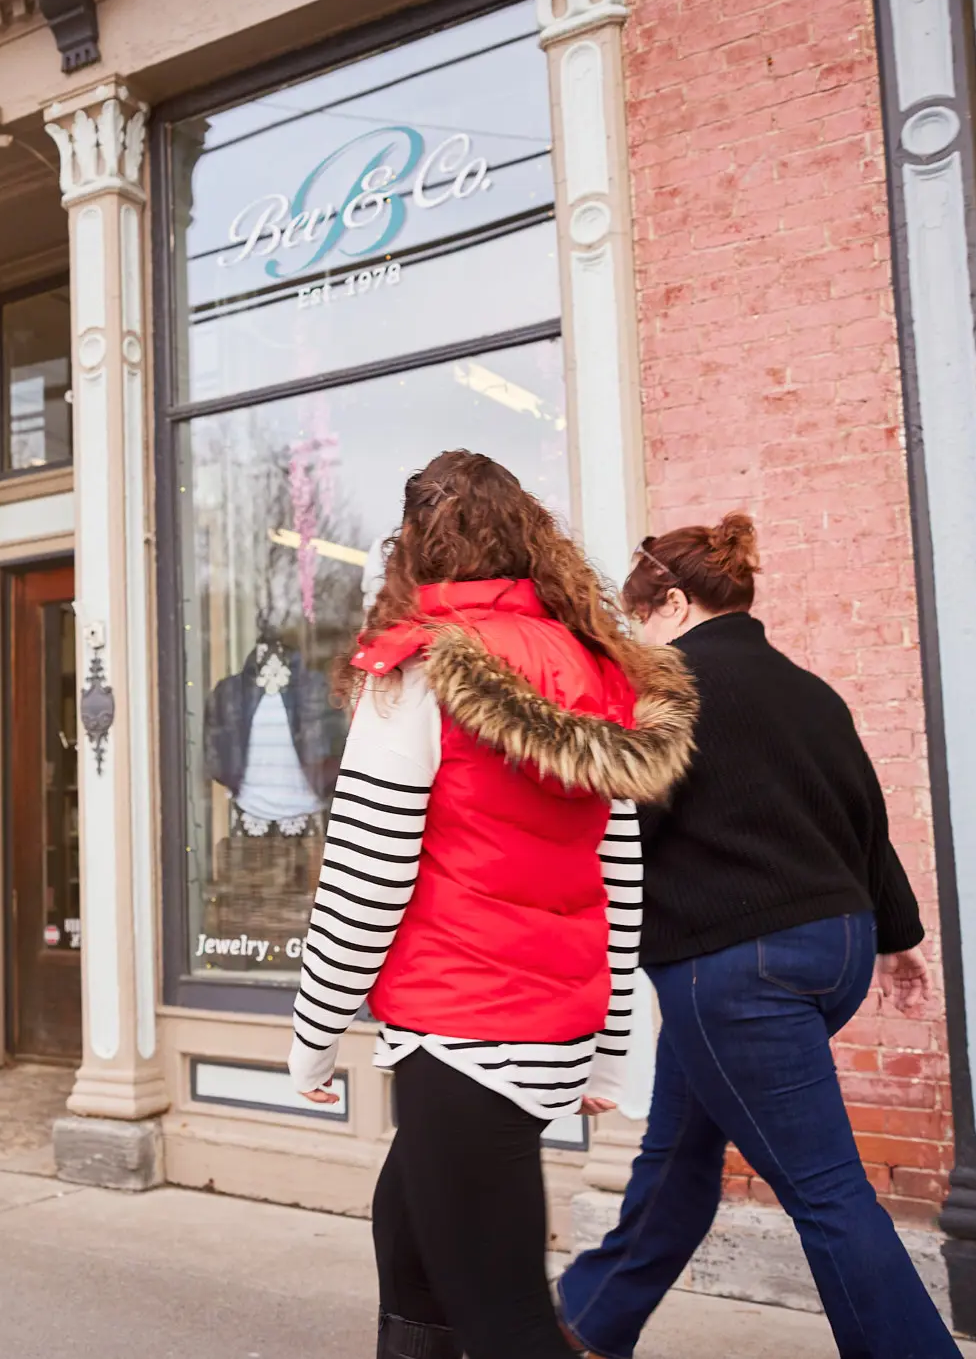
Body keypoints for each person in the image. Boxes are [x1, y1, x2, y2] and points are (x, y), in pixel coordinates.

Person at [288, 450, 699, 1359]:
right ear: (526, 537)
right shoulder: (594, 668)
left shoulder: (418, 669)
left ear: (414, 551)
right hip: (544, 1028)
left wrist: (313, 1033)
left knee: (506, 1321)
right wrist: (604, 1053)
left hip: (460, 1028)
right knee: (412, 1249)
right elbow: (617, 874)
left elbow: (365, 872)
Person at [556, 514, 960, 1359]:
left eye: (640, 616)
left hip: (736, 970)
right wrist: (898, 935)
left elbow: (631, 838)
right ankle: (583, 1323)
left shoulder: (667, 690)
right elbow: (864, 817)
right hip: (835, 946)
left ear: (671, 600)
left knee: (826, 1192)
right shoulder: (811, 690)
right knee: (678, 1153)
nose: (637, 635)